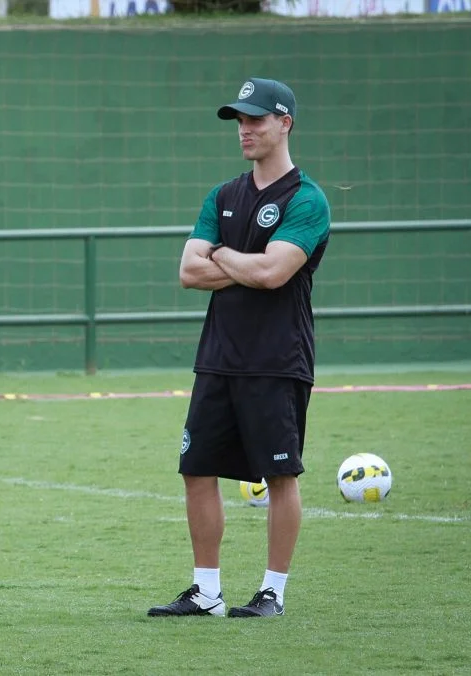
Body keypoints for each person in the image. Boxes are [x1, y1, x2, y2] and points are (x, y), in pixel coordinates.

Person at [147, 78, 330, 619]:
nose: (245, 130)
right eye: (239, 121)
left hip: (277, 360)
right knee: (196, 468)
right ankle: (207, 592)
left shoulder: (307, 199)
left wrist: (222, 255)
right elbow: (187, 271)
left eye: (255, 119)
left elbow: (275, 273)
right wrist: (242, 260)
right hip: (218, 358)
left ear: (284, 124)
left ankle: (272, 592)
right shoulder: (223, 196)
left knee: (280, 475)